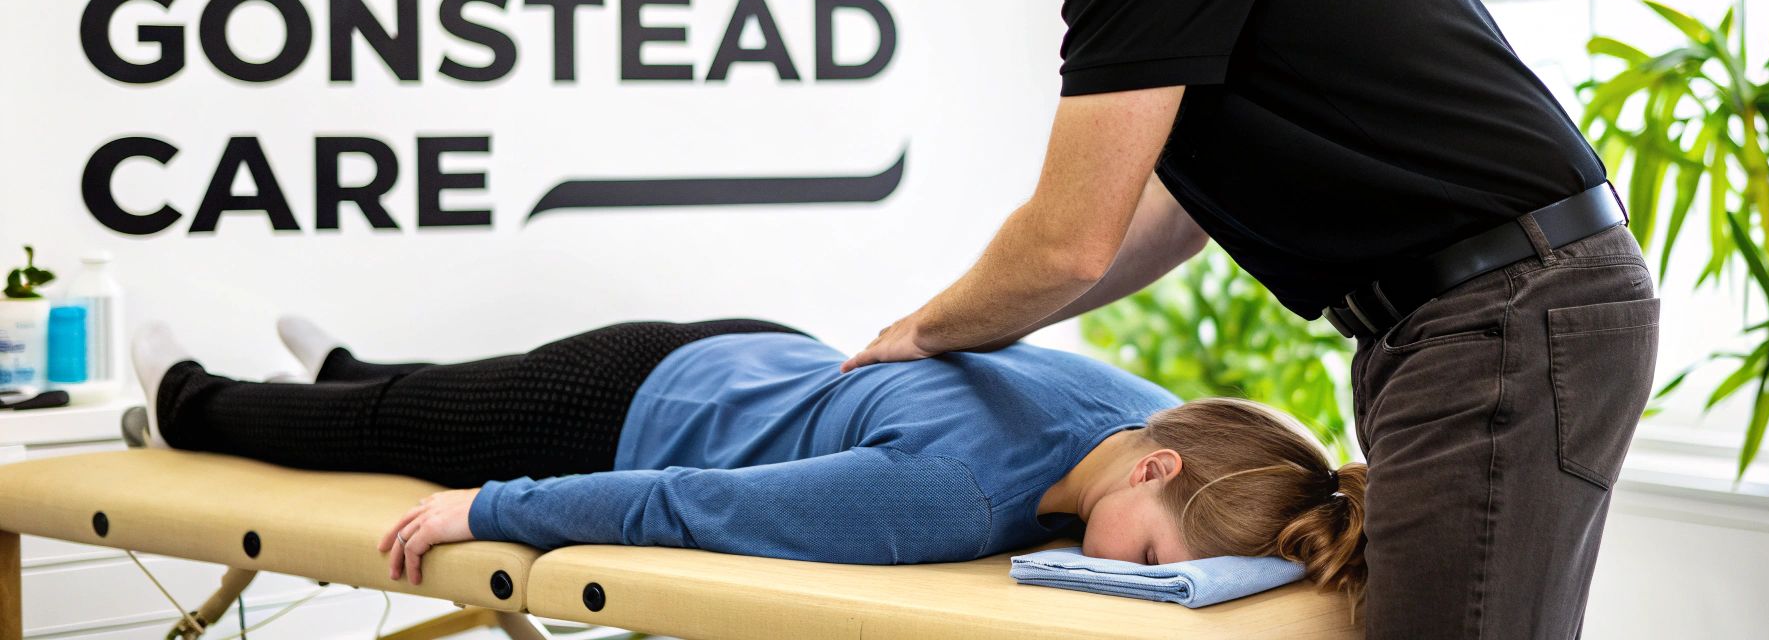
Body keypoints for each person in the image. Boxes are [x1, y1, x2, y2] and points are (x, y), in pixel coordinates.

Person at [789, 0, 1659, 638]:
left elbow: (1067, 238)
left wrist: (919, 332)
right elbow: (1161, 222)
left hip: (1501, 309)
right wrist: (978, 333)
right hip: (1455, 321)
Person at [127, 315, 1366, 595]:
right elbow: (684, 504)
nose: (1135, 577)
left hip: (748, 344)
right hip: (627, 409)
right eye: (1150, 560)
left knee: (423, 397)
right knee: (381, 440)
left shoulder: (1139, 405)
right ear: (1152, 473)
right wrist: (486, 509)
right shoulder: (946, 499)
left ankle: (347, 364)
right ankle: (189, 397)